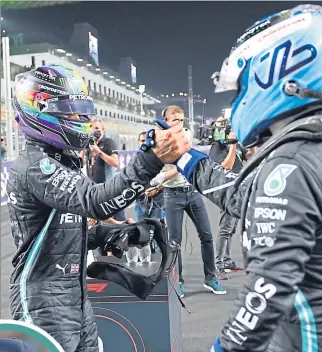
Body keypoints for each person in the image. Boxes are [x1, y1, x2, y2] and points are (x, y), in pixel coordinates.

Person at [162, 5, 322, 352]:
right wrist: (185, 157)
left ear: (278, 75)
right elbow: (243, 196)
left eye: (244, 86)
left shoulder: (294, 163)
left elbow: (269, 287)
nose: (239, 100)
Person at [7, 64, 190, 352]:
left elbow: (62, 232)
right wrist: (151, 160)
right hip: (43, 298)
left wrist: (112, 234)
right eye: (73, 112)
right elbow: (94, 202)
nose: (84, 121)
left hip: (74, 296)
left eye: (83, 112)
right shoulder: (35, 165)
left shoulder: (60, 161)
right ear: (39, 108)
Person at [157, 105, 226, 298]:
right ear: (165, 120)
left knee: (207, 236)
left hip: (193, 192)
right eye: (174, 120)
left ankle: (211, 278)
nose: (179, 123)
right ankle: (177, 281)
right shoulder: (159, 142)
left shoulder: (186, 134)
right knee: (174, 241)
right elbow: (159, 177)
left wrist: (187, 165)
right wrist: (182, 167)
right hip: (172, 195)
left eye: (181, 119)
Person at [209, 116, 244, 279]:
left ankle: (227, 260)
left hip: (238, 189)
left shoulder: (236, 145)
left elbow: (249, 157)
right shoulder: (216, 148)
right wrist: (232, 146)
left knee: (232, 229)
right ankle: (218, 265)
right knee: (225, 229)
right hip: (226, 192)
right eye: (219, 126)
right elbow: (226, 167)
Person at [125, 131, 166, 263]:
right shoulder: (135, 159)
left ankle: (161, 262)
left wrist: (157, 188)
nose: (144, 143)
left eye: (146, 140)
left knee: (158, 234)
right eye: (141, 141)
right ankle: (147, 263)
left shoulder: (158, 156)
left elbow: (166, 178)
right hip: (141, 201)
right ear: (138, 143)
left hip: (158, 200)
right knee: (142, 234)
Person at [80, 119, 127, 224]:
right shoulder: (88, 145)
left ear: (103, 130)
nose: (94, 130)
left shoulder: (109, 142)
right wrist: (82, 147)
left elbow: (115, 162)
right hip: (95, 190)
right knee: (99, 223)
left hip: (110, 190)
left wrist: (98, 151)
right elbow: (81, 163)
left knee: (119, 222)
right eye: (92, 128)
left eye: (97, 128)